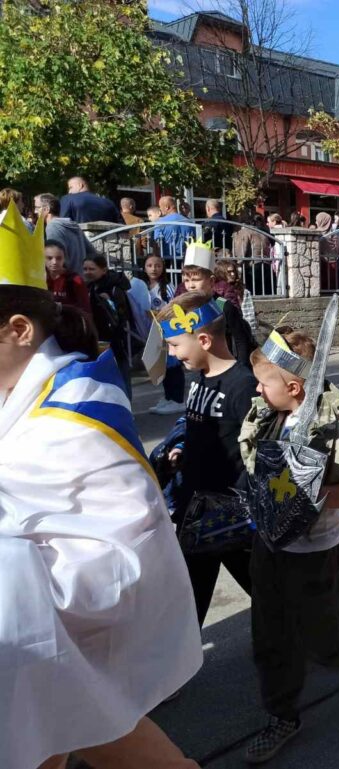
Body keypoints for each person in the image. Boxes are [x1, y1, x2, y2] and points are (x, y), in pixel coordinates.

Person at [0, 205, 202, 769]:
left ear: (20, 330)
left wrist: (18, 574)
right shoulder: (14, 394)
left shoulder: (78, 408)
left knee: (72, 720)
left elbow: (129, 547)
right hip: (32, 640)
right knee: (62, 724)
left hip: (55, 624)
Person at [239, 328, 339, 762]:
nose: (257, 390)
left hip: (315, 555)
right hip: (270, 548)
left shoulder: (331, 433)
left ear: (293, 387)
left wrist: (310, 492)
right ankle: (281, 715)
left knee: (324, 640)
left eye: (264, 383)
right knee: (271, 637)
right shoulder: (267, 419)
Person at [157, 290, 257, 627]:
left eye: (175, 345)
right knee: (187, 600)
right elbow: (200, 431)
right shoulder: (198, 379)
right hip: (194, 511)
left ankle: (327, 642)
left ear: (203, 340)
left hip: (229, 516)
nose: (172, 354)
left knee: (270, 595)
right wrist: (181, 452)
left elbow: (256, 454)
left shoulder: (243, 386)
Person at [179, 242, 257, 369]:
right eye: (187, 281)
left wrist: (241, 367)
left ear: (211, 281)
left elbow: (240, 340)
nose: (191, 286)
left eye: (196, 280)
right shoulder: (184, 307)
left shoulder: (223, 306)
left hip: (224, 366)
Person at [82, 254, 133, 399]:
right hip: (95, 337)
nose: (87, 272)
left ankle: (126, 403)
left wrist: (109, 302)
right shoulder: (89, 286)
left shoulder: (114, 287)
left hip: (115, 339)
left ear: (103, 270)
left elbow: (123, 314)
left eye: (92, 269)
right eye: (85, 269)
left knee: (121, 374)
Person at [144, 254, 187, 415]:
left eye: (157, 265)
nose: (153, 269)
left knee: (173, 366)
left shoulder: (167, 287)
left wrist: (159, 315)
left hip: (168, 330)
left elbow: (173, 309)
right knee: (161, 367)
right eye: (149, 265)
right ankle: (168, 397)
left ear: (163, 268)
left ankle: (177, 400)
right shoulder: (142, 287)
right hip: (153, 333)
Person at [33, 193, 98, 276]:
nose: (35, 211)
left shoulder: (53, 226)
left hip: (65, 280)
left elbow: (56, 256)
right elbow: (92, 252)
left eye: (37, 208)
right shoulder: (74, 225)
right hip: (79, 279)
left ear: (47, 209)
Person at [44, 240, 91, 316]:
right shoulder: (37, 279)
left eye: (59, 258)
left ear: (64, 259)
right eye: (49, 258)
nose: (54, 262)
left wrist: (62, 308)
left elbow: (86, 310)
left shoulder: (75, 280)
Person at [151, 196, 193, 263]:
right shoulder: (189, 222)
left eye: (160, 206)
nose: (160, 209)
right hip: (186, 260)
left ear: (167, 207)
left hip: (167, 260)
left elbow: (156, 244)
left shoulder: (160, 222)